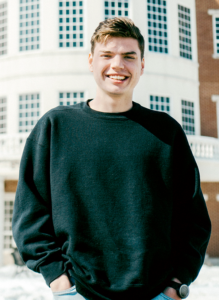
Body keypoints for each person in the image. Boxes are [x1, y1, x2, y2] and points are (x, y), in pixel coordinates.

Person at [12, 17, 211, 300]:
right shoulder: (56, 127)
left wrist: (175, 287)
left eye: (129, 56)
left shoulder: (166, 133)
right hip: (77, 293)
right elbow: (29, 213)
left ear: (142, 65)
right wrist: (58, 279)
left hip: (155, 294)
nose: (118, 65)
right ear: (91, 61)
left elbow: (194, 221)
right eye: (107, 55)